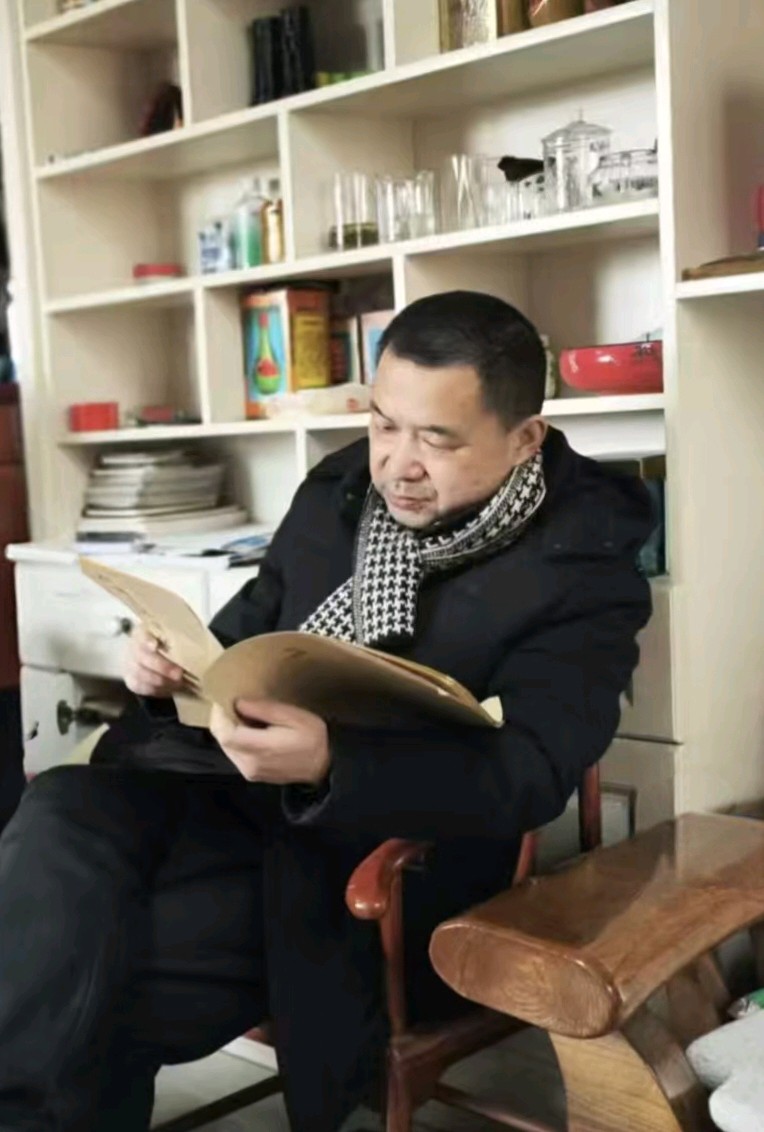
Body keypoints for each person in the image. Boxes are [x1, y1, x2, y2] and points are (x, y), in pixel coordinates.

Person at [0, 291, 653, 1132]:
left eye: (436, 439)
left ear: (525, 438)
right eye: (384, 424)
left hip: (377, 857)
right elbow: (239, 638)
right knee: (61, 812)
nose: (397, 464)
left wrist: (332, 763)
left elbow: (527, 773)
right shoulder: (341, 489)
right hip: (235, 794)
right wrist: (166, 673)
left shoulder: (583, 567)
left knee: (95, 959)